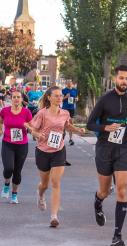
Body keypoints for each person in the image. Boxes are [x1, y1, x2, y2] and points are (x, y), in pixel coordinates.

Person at [86, 65, 127, 246]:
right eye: (121, 78)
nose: (124, 81)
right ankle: (98, 201)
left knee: (122, 190)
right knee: (105, 190)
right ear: (115, 79)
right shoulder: (104, 100)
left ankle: (117, 234)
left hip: (122, 149)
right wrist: (105, 128)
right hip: (104, 149)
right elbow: (89, 124)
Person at [25, 86, 85, 228]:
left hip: (59, 150)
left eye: (60, 96)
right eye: (56, 96)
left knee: (56, 182)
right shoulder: (42, 113)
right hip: (43, 151)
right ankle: (40, 195)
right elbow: (31, 128)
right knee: (44, 184)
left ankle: (54, 216)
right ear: (49, 98)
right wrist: (38, 134)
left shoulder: (64, 113)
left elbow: (67, 126)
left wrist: (78, 130)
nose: (59, 98)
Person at [0, 90, 32, 204]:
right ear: (10, 99)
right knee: (8, 168)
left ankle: (14, 195)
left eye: (18, 97)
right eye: (14, 97)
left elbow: (32, 127)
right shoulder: (5, 111)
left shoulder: (26, 112)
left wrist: (31, 129)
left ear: (22, 99)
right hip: (8, 144)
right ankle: (6, 184)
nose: (16, 99)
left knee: (17, 172)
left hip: (22, 146)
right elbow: (0, 122)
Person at [62, 81, 78, 146]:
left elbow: (77, 98)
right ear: (66, 84)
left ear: (72, 84)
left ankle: (71, 139)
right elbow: (60, 99)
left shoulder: (75, 90)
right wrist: (65, 97)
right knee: (64, 123)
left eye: (70, 83)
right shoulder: (63, 90)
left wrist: (76, 99)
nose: (69, 84)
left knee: (71, 123)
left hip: (72, 108)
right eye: (68, 83)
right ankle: (63, 135)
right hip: (65, 108)